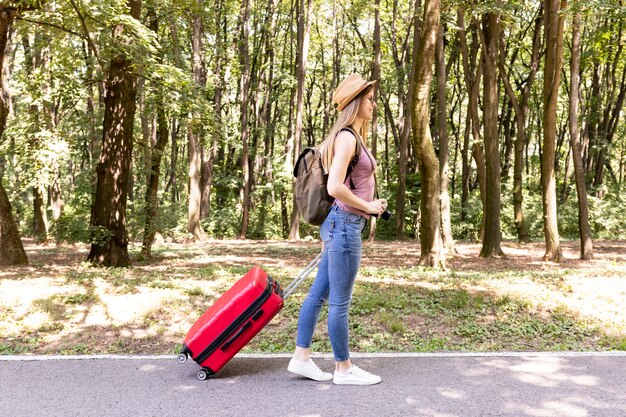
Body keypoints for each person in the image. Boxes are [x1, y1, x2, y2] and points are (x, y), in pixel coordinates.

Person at [287, 73, 387, 386]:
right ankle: (343, 368)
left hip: (339, 225)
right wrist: (368, 207)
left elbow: (347, 184)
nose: (373, 104)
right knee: (339, 301)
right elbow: (334, 186)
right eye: (369, 99)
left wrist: (370, 204)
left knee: (318, 294)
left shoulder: (349, 137)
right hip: (344, 225)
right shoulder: (346, 138)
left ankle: (301, 358)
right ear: (356, 102)